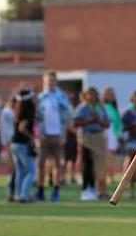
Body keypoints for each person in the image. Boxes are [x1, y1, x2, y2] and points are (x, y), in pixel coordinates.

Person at [35, 70, 70, 202]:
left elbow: (66, 117)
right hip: (44, 135)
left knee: (57, 164)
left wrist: (63, 133)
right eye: (48, 80)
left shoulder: (61, 97)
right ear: (44, 81)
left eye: (52, 80)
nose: (50, 82)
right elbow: (36, 118)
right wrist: (38, 134)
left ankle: (55, 190)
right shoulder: (40, 98)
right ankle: (40, 189)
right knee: (41, 164)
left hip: (57, 134)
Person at [73, 87, 110, 200]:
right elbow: (76, 122)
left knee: (100, 165)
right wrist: (89, 120)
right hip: (87, 137)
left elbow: (107, 123)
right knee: (87, 164)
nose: (92, 97)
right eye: (89, 94)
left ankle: (101, 189)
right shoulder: (82, 108)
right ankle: (86, 188)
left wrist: (98, 120)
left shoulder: (100, 108)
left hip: (99, 137)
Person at [11, 88, 37, 203]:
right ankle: (24, 195)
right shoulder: (27, 112)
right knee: (31, 171)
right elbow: (22, 128)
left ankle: (18, 194)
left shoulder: (17, 109)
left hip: (14, 143)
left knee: (20, 171)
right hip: (22, 144)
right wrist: (32, 138)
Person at [0, 95, 17, 202]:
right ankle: (10, 181)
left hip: (13, 138)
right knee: (12, 162)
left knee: (14, 163)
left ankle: (12, 182)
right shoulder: (7, 112)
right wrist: (4, 141)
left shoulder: (10, 111)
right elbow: (3, 127)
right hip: (10, 138)